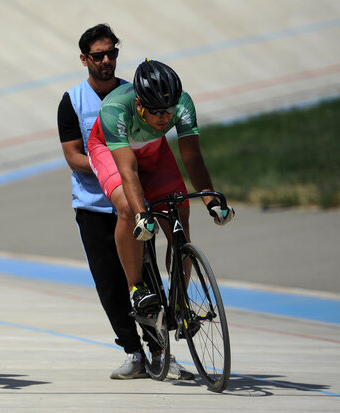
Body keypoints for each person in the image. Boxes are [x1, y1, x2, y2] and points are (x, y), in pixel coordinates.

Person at [57, 24, 193, 380]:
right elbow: (73, 157)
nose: (106, 60)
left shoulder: (138, 94)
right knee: (110, 284)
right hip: (92, 204)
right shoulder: (72, 101)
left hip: (134, 202)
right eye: (98, 55)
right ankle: (133, 353)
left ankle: (161, 352)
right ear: (84, 59)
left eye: (112, 53)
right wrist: (116, 167)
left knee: (146, 279)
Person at [87, 59, 234, 376]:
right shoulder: (114, 109)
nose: (165, 117)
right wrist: (142, 214)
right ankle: (135, 287)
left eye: (169, 111)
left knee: (180, 207)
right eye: (157, 112)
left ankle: (179, 297)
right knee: (128, 209)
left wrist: (210, 197)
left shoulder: (181, 104)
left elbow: (192, 156)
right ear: (139, 104)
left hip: (153, 150)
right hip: (112, 150)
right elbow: (127, 172)